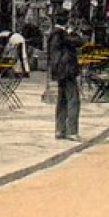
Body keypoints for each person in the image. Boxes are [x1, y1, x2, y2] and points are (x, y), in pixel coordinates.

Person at [47, 13, 81, 141]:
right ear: (66, 21)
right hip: (67, 70)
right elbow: (79, 42)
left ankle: (60, 130)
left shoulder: (52, 34)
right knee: (73, 100)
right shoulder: (62, 34)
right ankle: (72, 131)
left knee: (62, 100)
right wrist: (72, 32)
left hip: (58, 71)